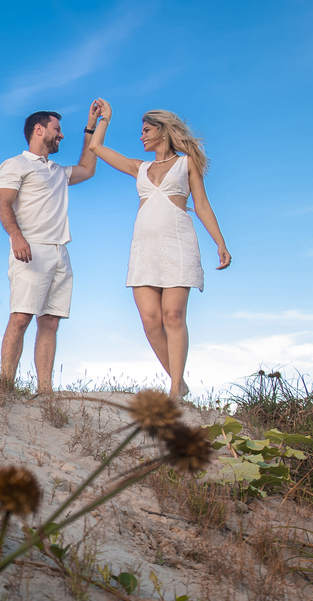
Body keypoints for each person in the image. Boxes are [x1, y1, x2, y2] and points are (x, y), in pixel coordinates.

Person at [88, 101, 231, 398]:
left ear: (163, 132)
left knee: (173, 315)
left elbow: (201, 205)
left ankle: (175, 388)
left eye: (146, 130)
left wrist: (220, 242)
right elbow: (96, 148)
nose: (141, 137)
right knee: (151, 320)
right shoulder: (139, 167)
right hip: (144, 249)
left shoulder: (186, 162)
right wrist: (104, 119)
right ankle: (178, 379)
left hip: (178, 244)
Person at [0, 102, 101, 394]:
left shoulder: (57, 170)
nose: (60, 135)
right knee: (20, 317)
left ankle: (45, 391)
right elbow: (3, 203)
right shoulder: (15, 164)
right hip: (30, 249)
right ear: (39, 130)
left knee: (50, 322)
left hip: (60, 252)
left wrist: (90, 127)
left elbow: (88, 169)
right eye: (57, 129)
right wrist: (16, 237)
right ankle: (5, 386)